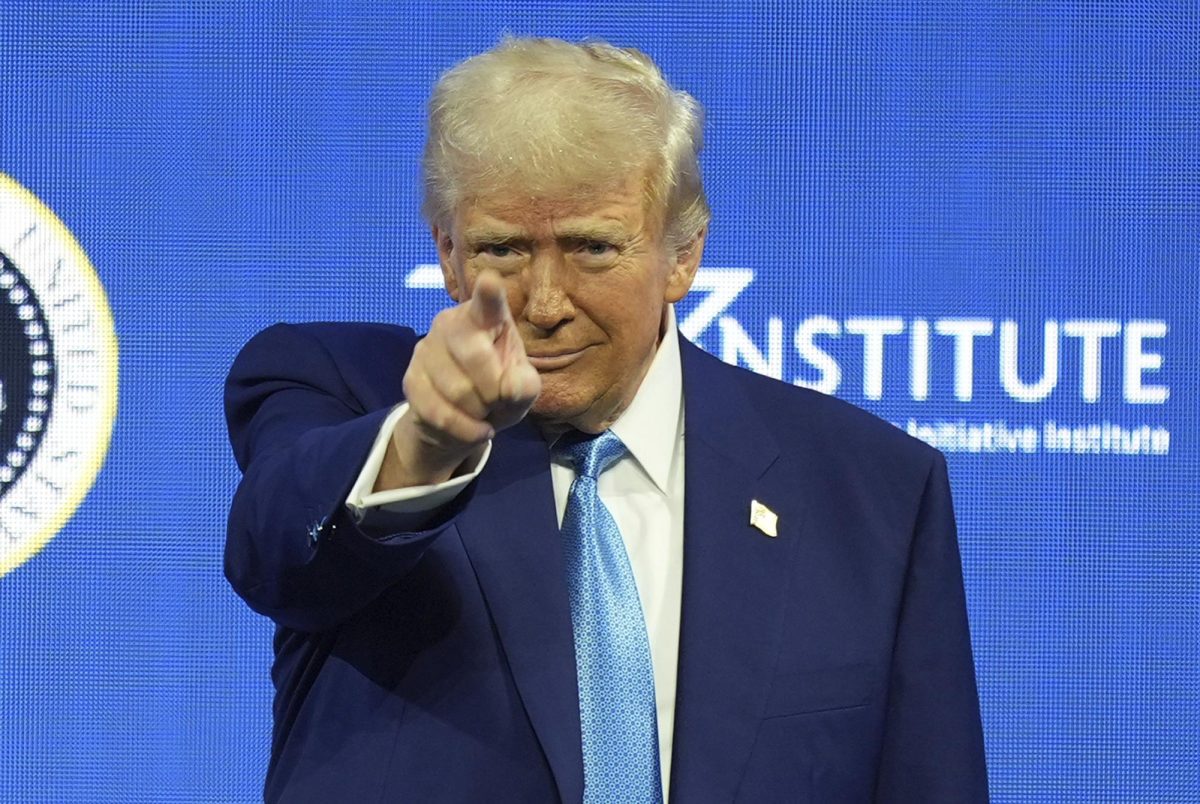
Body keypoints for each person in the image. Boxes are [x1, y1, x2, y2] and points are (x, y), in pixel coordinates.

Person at [225, 37, 988, 802]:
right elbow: (277, 550)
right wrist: (428, 441)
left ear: (683, 255)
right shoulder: (336, 386)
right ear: (449, 254)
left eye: (593, 247)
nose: (546, 304)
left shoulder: (871, 490)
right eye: (503, 249)